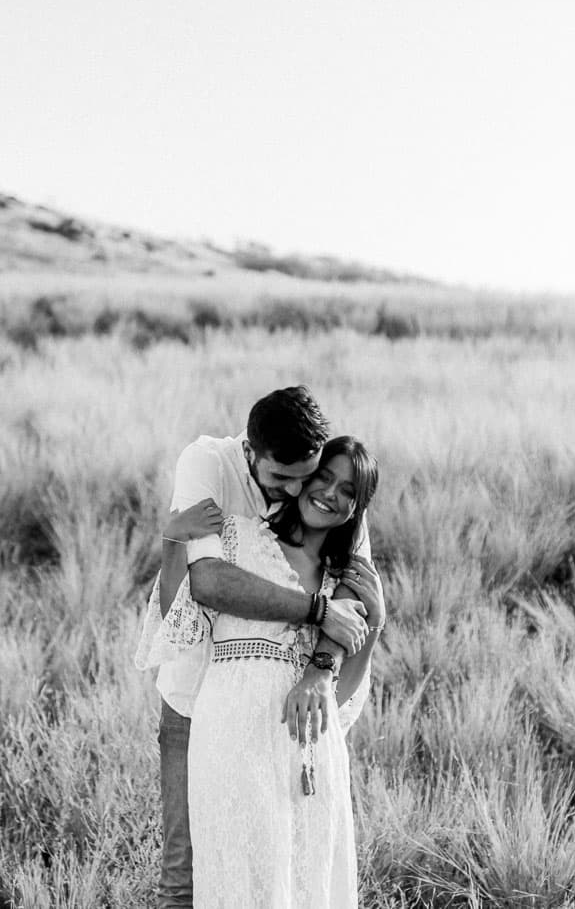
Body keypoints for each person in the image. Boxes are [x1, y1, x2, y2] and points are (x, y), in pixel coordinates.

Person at [134, 388, 378, 909]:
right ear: (252, 453)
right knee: (188, 876)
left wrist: (319, 668)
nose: (297, 491)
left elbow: (356, 601)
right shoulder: (210, 470)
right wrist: (170, 539)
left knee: (296, 873)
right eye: (282, 478)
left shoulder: (336, 511)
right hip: (198, 704)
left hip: (292, 730)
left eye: (307, 476)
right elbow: (205, 583)